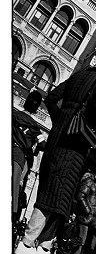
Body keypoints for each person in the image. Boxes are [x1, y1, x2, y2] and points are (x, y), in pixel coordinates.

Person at [16, 51, 96, 254]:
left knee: (59, 191)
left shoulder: (79, 75)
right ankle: (27, 241)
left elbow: (52, 98)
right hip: (74, 145)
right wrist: (94, 130)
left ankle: (44, 246)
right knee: (57, 190)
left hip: (58, 138)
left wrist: (60, 120)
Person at [12, 88, 46, 223]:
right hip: (18, 158)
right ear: (36, 108)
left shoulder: (13, 116)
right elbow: (43, 145)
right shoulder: (34, 127)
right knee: (14, 192)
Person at [66, 162, 96, 254]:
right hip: (85, 217)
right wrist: (87, 211)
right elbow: (81, 196)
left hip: (93, 221)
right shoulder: (89, 181)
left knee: (85, 243)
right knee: (80, 240)